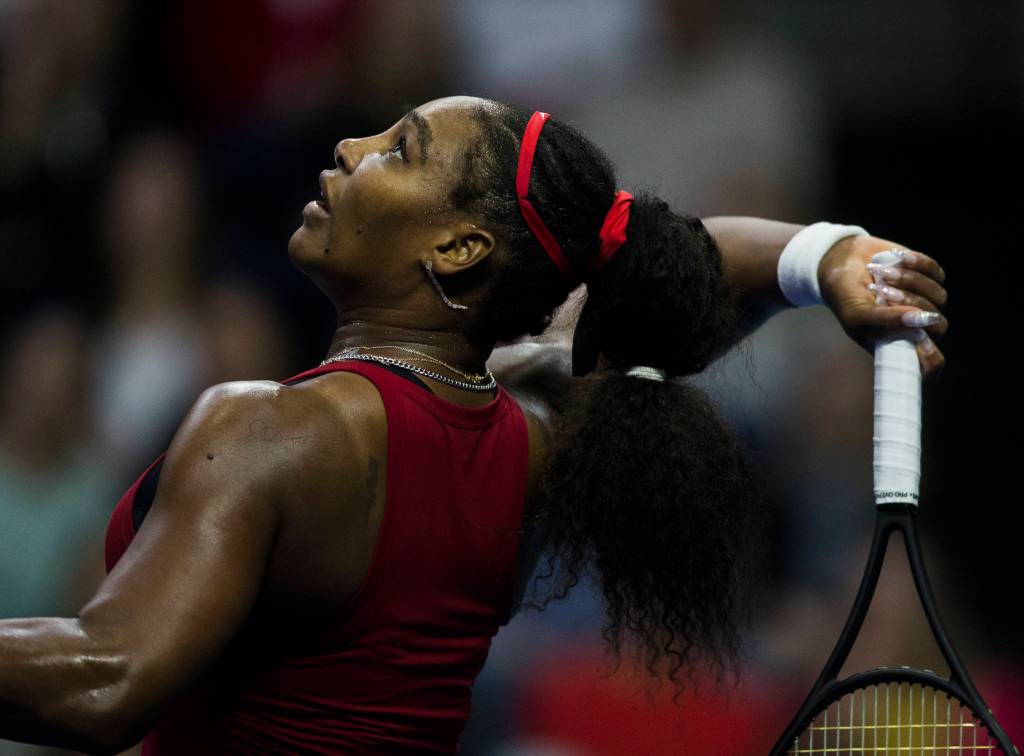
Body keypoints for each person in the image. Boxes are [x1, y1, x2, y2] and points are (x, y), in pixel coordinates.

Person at [0, 96, 947, 754]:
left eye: (399, 151)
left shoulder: (269, 431)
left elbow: (104, 679)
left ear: (458, 249)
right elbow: (669, 272)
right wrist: (830, 256)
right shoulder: (533, 430)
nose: (351, 149)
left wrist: (828, 258)